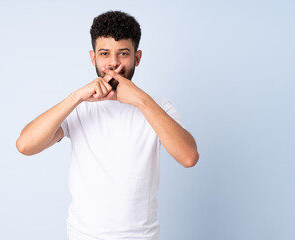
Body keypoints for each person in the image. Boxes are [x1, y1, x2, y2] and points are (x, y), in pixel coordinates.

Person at [16, 10, 199, 240]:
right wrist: (76, 97)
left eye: (123, 53)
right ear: (93, 58)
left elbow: (189, 157)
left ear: (137, 58)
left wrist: (141, 100)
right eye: (105, 54)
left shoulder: (157, 107)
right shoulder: (79, 108)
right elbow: (25, 145)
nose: (114, 63)